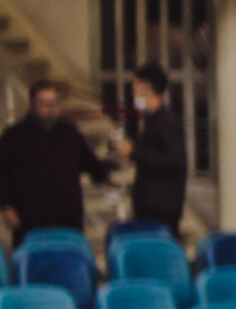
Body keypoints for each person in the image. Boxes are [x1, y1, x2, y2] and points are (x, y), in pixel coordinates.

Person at [0, 79, 113, 239]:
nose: (50, 109)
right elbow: (2, 173)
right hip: (29, 218)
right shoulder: (14, 135)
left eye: (54, 103)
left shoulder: (69, 132)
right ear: (33, 106)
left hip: (67, 217)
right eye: (45, 104)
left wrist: (105, 176)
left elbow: (89, 162)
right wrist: (6, 206)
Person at [125, 62, 191, 231]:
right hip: (149, 208)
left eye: (135, 85)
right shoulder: (150, 119)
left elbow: (175, 161)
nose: (133, 91)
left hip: (161, 211)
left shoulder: (166, 121)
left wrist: (133, 153)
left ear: (146, 86)